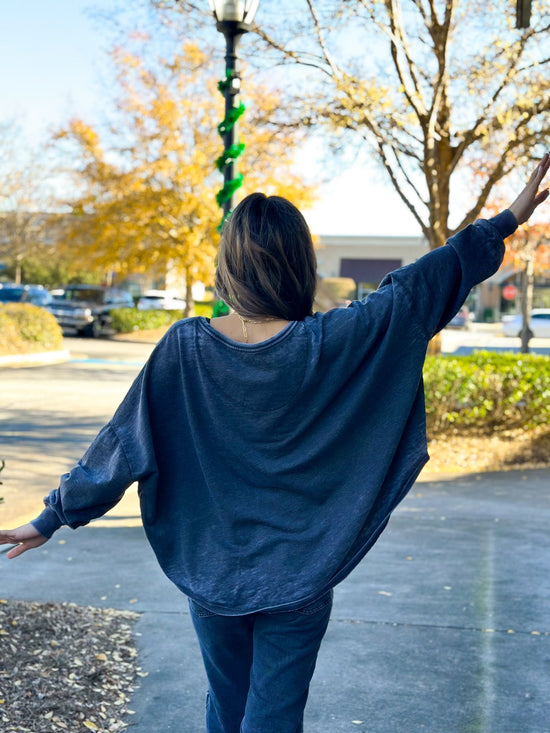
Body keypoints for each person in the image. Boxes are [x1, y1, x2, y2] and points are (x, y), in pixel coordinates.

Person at [1, 155, 549, 733]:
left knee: (228, 707)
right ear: (299, 265)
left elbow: (120, 443)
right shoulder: (333, 341)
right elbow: (421, 287)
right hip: (301, 573)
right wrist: (505, 221)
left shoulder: (185, 348)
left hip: (212, 572)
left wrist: (52, 516)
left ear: (228, 266)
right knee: (273, 716)